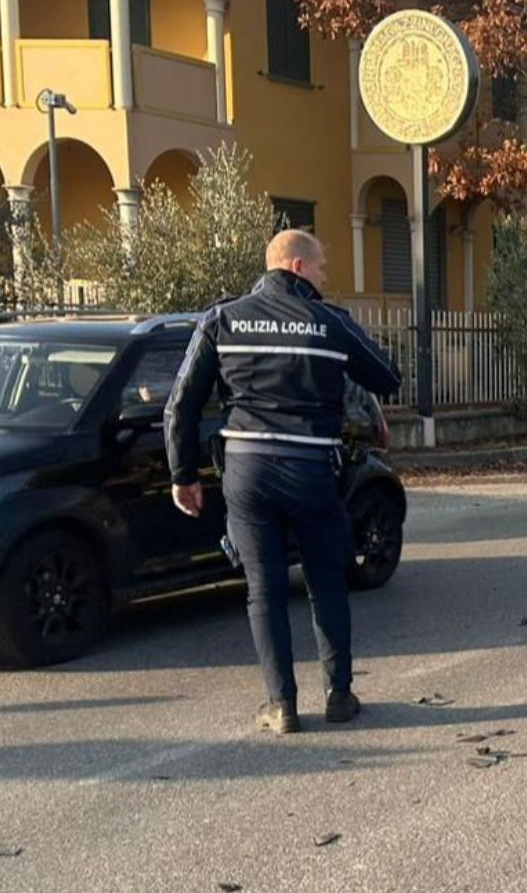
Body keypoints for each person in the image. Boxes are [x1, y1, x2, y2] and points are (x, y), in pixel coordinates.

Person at [166, 231, 402, 734]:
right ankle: (339, 695)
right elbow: (387, 376)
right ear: (297, 266)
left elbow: (181, 403)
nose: (323, 279)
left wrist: (182, 475)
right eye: (320, 270)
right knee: (325, 582)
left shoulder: (222, 319)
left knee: (264, 591)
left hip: (247, 470)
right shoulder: (331, 322)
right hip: (312, 468)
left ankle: (281, 706)